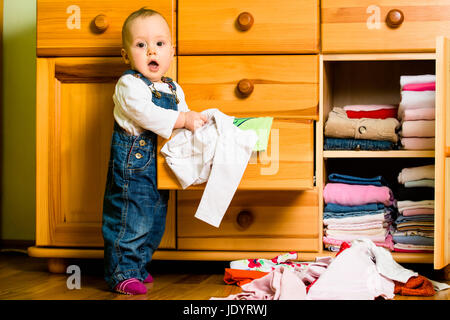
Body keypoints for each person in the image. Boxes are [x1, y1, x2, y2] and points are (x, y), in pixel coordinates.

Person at [101, 7, 207, 295]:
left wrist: (194, 124)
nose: (152, 52)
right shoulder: (129, 85)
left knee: (154, 219)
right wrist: (182, 119)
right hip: (132, 168)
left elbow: (182, 118)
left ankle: (139, 266)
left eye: (160, 44)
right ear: (126, 55)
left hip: (159, 165)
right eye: (141, 45)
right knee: (129, 218)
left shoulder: (173, 88)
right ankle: (121, 272)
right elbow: (146, 114)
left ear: (172, 51)